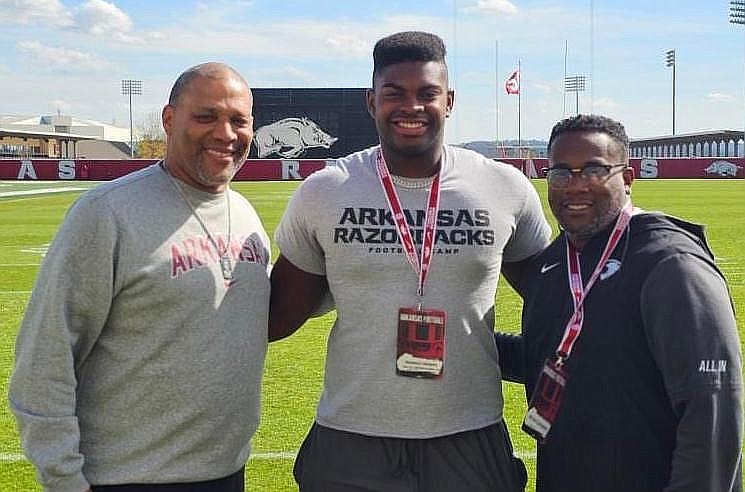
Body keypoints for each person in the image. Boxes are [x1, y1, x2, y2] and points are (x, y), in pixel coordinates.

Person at [269, 31, 551, 492]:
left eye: (427, 93)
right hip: (352, 435)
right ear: (370, 100)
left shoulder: (503, 188)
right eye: (393, 93)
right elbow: (276, 317)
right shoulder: (326, 190)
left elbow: (556, 297)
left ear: (451, 100)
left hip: (469, 431)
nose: (411, 107)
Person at [9, 62, 271, 492]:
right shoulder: (107, 213)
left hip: (226, 474)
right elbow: (45, 359)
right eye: (206, 116)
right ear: (169, 120)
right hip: (127, 478)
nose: (225, 133)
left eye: (238, 120)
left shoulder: (244, 212)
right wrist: (64, 480)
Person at [496, 114, 743, 492]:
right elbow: (553, 358)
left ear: (627, 179)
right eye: (561, 172)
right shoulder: (553, 263)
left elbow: (711, 410)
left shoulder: (670, 264)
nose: (575, 186)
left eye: (594, 170)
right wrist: (468, 342)